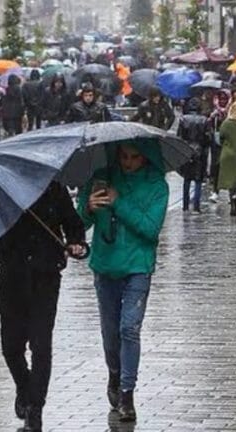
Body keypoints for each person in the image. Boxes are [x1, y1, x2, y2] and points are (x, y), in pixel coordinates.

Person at [76, 141, 169, 422]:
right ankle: (114, 373)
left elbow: (150, 229)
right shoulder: (101, 178)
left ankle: (127, 393)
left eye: (135, 157)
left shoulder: (157, 186)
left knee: (129, 328)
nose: (128, 162)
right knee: (110, 332)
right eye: (124, 156)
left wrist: (119, 202)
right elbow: (79, 223)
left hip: (138, 265)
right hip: (105, 265)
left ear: (146, 157)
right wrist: (88, 208)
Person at [0, 182, 86, 432]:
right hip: (12, 278)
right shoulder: (3, 190)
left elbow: (73, 224)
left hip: (46, 277)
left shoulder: (54, 189)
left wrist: (76, 243)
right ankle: (24, 387)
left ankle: (35, 409)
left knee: (41, 345)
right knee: (11, 348)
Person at [177, 98, 209, 212]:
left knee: (187, 179)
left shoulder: (183, 119)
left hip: (186, 150)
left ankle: (185, 206)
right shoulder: (204, 120)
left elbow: (179, 137)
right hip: (200, 151)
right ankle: (196, 206)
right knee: (198, 179)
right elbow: (207, 138)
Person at [207, 90, 230, 203]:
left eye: (225, 99)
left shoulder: (231, 112)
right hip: (216, 144)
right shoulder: (214, 113)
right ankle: (215, 191)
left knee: (230, 168)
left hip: (229, 143)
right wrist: (211, 119)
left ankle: (231, 193)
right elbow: (208, 126)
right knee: (217, 167)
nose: (222, 101)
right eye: (221, 99)